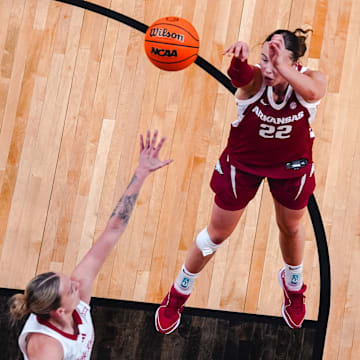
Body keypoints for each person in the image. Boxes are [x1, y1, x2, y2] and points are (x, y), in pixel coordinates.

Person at [155, 28, 327, 334]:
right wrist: (241, 60)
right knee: (217, 235)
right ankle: (179, 292)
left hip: (291, 167)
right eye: (264, 58)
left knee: (290, 227)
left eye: (276, 60)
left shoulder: (312, 80)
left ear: (293, 62)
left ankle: (293, 284)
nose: (268, 67)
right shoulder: (256, 80)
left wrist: (282, 65)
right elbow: (240, 78)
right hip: (243, 166)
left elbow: (314, 93)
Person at [9, 131, 172, 359]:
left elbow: (113, 229)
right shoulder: (47, 348)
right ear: (60, 311)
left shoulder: (76, 293)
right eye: (71, 288)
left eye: (69, 280)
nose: (77, 283)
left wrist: (141, 173)